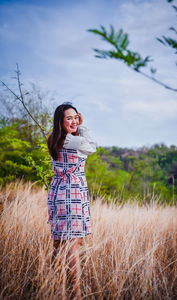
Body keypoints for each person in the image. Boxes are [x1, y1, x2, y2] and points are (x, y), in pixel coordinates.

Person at [47, 102, 96, 298]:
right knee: (73, 245)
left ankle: (51, 285)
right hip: (71, 194)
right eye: (69, 118)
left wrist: (77, 124)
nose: (74, 121)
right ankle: (75, 294)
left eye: (76, 117)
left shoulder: (55, 138)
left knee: (60, 243)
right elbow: (92, 147)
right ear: (60, 121)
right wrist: (82, 126)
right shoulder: (70, 140)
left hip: (61, 192)